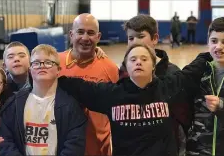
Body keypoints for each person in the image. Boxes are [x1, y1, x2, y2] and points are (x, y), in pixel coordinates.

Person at [56, 43, 213, 156]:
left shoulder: (168, 87)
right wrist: (52, 76)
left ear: (153, 65)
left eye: (144, 59)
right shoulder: (112, 94)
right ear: (126, 66)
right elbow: (79, 86)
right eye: (133, 59)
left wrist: (209, 53)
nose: (138, 62)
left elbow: (190, 72)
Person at [119, 14, 191, 155]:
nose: (135, 42)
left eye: (140, 37)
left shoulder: (172, 73)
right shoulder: (123, 72)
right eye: (130, 38)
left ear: (155, 39)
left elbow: (184, 117)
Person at [0, 44, 87, 156]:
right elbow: (5, 141)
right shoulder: (14, 104)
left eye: (49, 63)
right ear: (30, 69)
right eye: (36, 63)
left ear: (58, 70)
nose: (42, 66)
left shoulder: (71, 107)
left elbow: (75, 146)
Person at [59, 13, 119, 156]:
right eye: (80, 32)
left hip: (98, 149)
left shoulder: (110, 68)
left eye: (91, 33)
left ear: (98, 37)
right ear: (71, 34)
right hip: (63, 147)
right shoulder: (55, 62)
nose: (85, 38)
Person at [186, 17, 224, 156]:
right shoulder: (197, 73)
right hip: (198, 151)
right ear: (208, 41)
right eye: (214, 41)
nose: (218, 46)